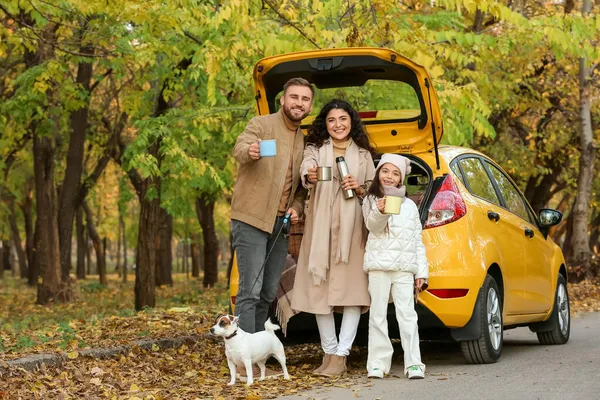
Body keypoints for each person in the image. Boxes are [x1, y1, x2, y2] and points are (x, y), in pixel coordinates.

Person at [291, 99, 375, 377]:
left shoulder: (363, 154)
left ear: (351, 122)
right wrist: (311, 175)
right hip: (320, 232)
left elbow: (375, 190)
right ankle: (328, 352)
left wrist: (360, 188)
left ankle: (341, 356)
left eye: (343, 119)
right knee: (319, 291)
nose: (337, 125)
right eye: (331, 120)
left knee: (352, 293)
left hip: (352, 232)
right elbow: (307, 169)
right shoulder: (315, 149)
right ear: (324, 124)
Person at [231, 77, 314, 335]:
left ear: (310, 106)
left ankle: (254, 350)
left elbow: (301, 189)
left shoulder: (304, 140)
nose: (298, 103)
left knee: (267, 292)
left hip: (280, 225)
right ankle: (244, 357)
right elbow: (240, 146)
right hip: (252, 219)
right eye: (294, 97)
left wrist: (298, 208)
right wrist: (250, 151)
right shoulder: (261, 124)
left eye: (305, 99)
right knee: (250, 290)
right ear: (283, 100)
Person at [362, 153, 428, 380]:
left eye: (395, 173)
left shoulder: (410, 205)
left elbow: (417, 240)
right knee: (378, 315)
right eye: (385, 171)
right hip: (379, 267)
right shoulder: (371, 200)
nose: (389, 176)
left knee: (407, 315)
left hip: (404, 268)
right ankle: (378, 364)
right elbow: (373, 228)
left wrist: (422, 272)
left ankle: (414, 363)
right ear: (378, 173)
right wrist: (380, 211)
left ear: (401, 178)